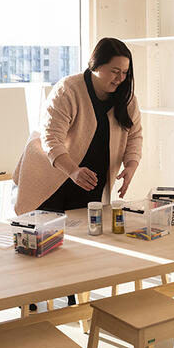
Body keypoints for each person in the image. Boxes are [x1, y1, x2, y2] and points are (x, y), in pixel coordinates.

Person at [13, 36, 143, 218]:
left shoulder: (127, 98)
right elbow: (51, 138)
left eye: (125, 72)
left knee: (86, 228)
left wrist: (131, 165)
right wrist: (73, 171)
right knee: (48, 230)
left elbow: (135, 135)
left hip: (89, 181)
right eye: (115, 71)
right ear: (96, 66)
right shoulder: (68, 90)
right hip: (52, 173)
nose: (120, 78)